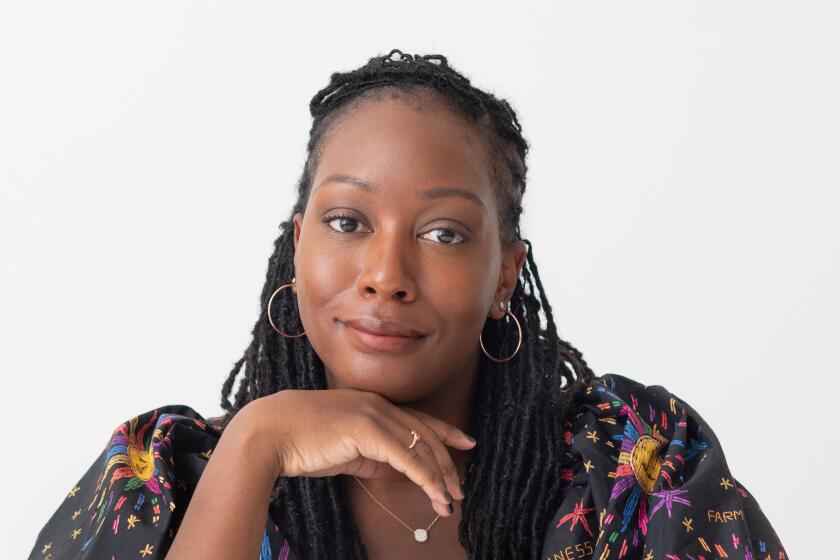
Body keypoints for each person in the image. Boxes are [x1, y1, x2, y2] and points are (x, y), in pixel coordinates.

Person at [27, 49, 787, 560]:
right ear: (298, 246)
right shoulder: (162, 479)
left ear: (504, 274)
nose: (385, 275)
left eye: (444, 232)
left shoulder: (630, 468)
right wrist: (255, 446)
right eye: (348, 222)